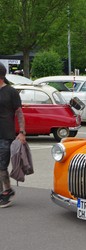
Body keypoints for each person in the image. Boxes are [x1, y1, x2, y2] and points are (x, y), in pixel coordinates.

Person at [0, 62, 27, 207]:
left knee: (1, 166)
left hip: (5, 134)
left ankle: (7, 191)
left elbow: (19, 113)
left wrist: (22, 132)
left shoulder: (11, 92)